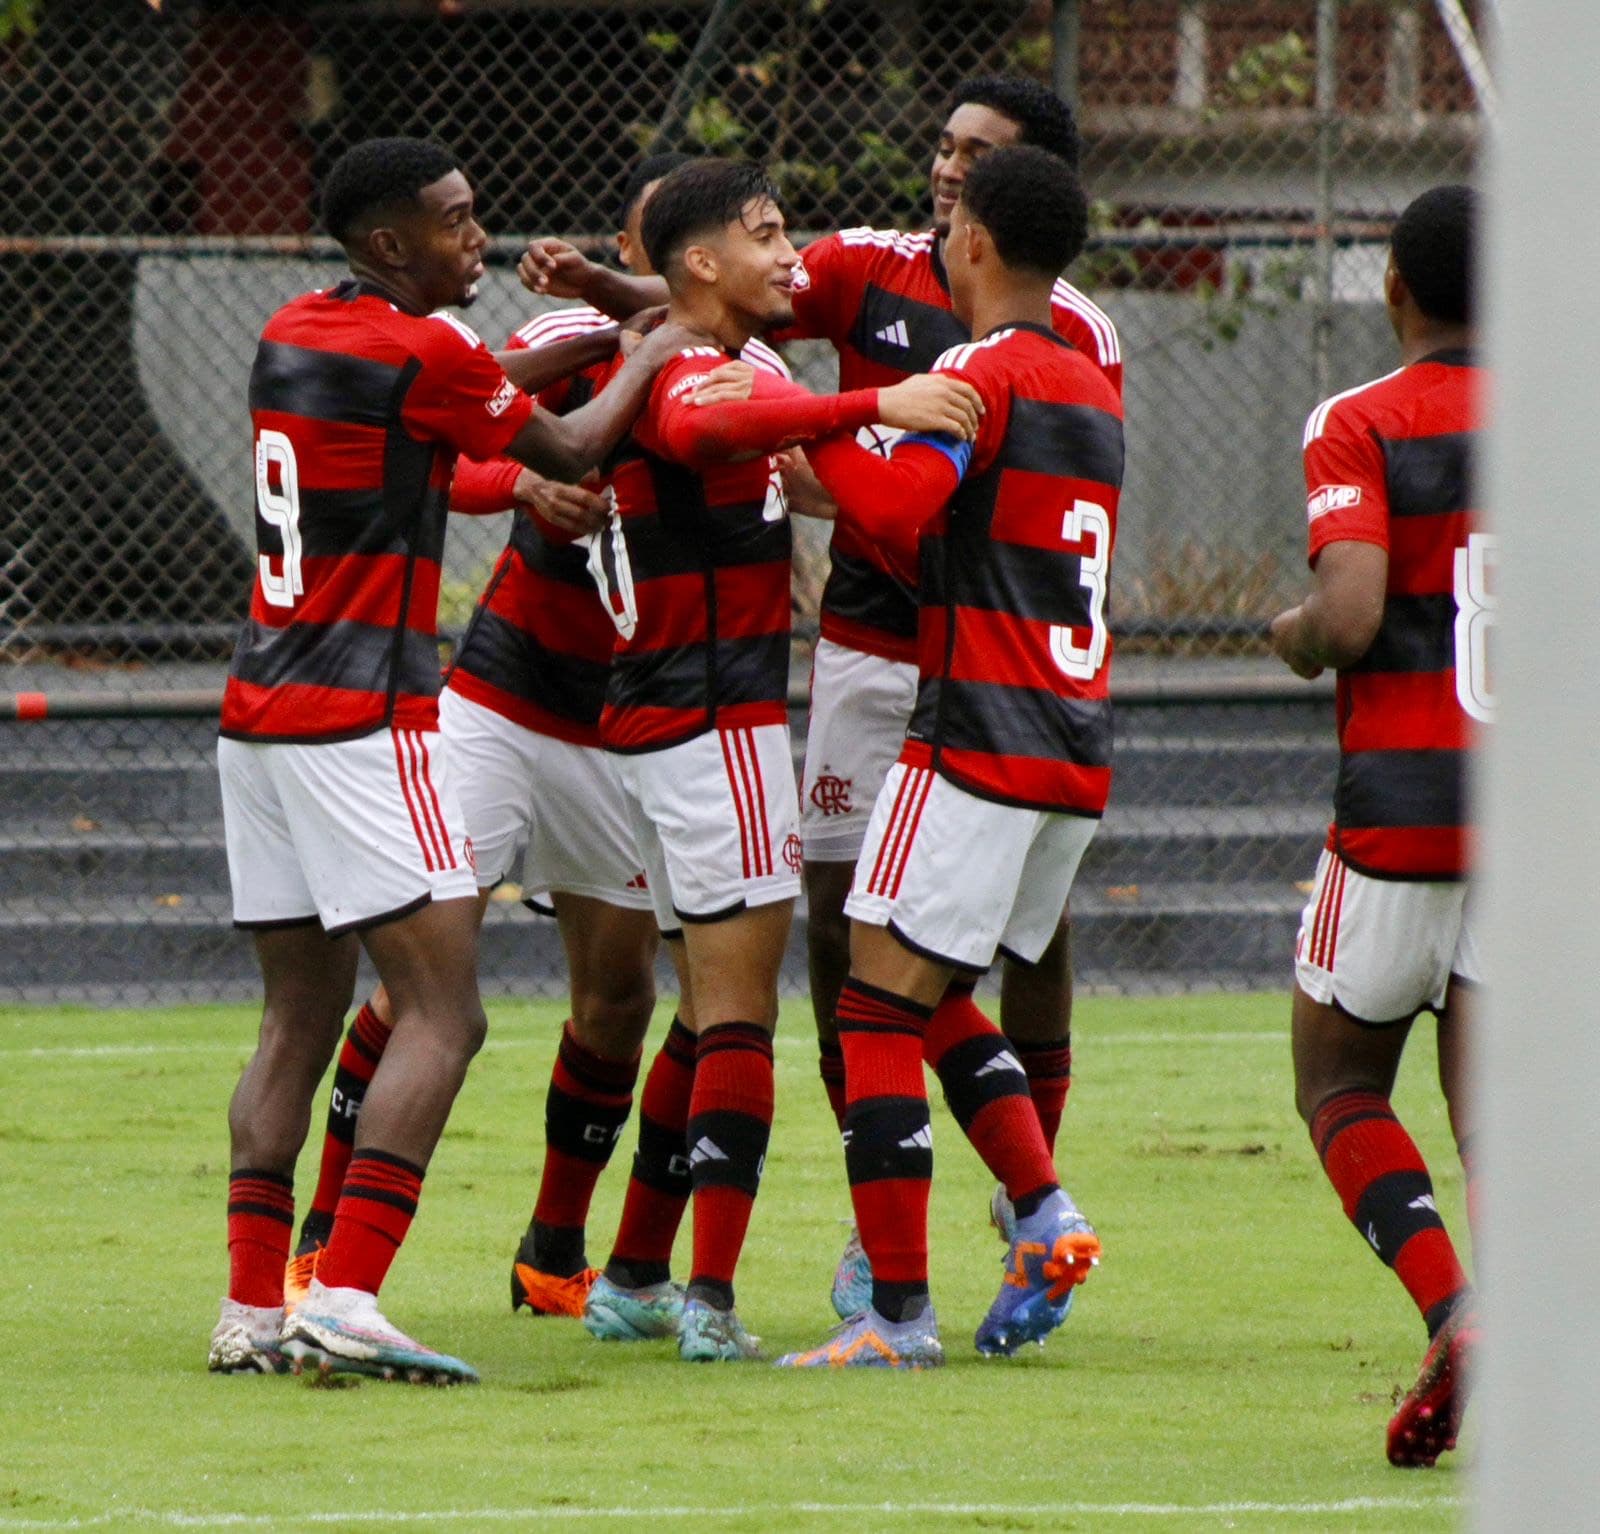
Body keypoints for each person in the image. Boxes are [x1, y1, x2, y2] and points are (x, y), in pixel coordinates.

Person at [520, 77, 1121, 1317]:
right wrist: (613, 300)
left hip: (967, 676)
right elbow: (721, 305)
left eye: (978, 159)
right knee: (864, 948)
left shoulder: (1049, 340)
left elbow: (896, 484)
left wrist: (824, 455)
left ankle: (983, 1229)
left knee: (944, 963)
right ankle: (882, 1236)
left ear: (1011, 205)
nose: (947, 172)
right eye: (944, 148)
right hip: (892, 661)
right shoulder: (863, 272)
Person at [207, 136, 701, 1384]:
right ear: (390, 245)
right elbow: (573, 446)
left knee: (294, 1020)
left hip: (257, 721)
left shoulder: (299, 328)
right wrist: (648, 346)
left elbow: (455, 416)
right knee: (447, 1010)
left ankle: (253, 1308)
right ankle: (353, 1292)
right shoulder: (423, 352)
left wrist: (572, 350)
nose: (477, 237)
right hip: (358, 722)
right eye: (455, 220)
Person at [281, 153, 795, 1329]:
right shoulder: (571, 331)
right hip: (511, 696)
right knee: (424, 974)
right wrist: (523, 481)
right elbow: (448, 453)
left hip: (635, 723)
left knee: (617, 997)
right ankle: (322, 1243)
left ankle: (557, 1247)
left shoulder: (740, 354)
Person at [577, 156, 982, 1361]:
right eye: (764, 233)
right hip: (713, 730)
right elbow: (709, 427)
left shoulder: (735, 364)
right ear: (700, 263)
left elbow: (772, 465)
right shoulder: (683, 364)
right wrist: (874, 404)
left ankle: (636, 1274)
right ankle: (708, 1300)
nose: (786, 250)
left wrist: (863, 479)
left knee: (703, 1015)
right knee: (739, 1019)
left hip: (657, 734)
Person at [768, 144, 1122, 1369]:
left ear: (970, 242)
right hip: (1072, 740)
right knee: (936, 991)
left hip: (975, 729)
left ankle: (896, 1314)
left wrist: (816, 459)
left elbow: (900, 512)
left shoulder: (976, 369)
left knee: (870, 999)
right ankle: (1039, 1210)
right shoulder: (1091, 381)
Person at [1268, 183, 1484, 1467]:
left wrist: (1291, 636)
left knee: (1340, 1079)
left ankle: (1458, 1314)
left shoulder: (1359, 420)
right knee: (1489, 1103)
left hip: (1399, 810)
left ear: (1391, 287)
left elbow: (1345, 617)